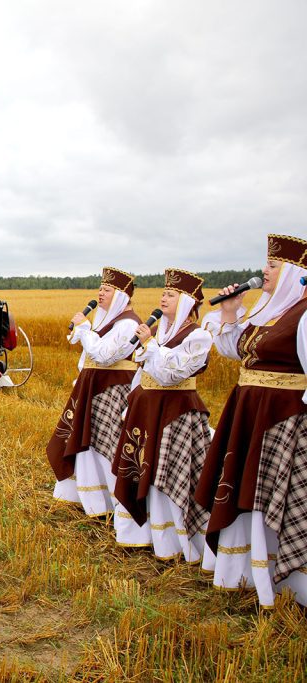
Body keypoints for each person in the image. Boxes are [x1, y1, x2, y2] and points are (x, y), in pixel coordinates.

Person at [194, 234, 307, 607]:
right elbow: (236, 351)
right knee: (243, 489)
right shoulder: (269, 311)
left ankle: (280, 583)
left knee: (270, 496)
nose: (264, 271)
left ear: (294, 272)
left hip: (281, 420)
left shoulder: (303, 313)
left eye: (273, 265)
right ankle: (241, 572)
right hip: (247, 413)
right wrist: (231, 311)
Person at [111, 269, 212, 562]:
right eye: (163, 293)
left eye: (170, 294)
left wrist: (150, 345)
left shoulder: (199, 336)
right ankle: (141, 534)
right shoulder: (160, 333)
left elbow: (171, 374)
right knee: (142, 469)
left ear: (186, 302)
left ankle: (172, 542)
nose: (163, 298)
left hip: (175, 412)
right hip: (146, 410)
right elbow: (145, 373)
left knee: (167, 472)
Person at [47, 267, 141, 517]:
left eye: (107, 290)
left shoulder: (129, 324)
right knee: (84, 440)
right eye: (100, 288)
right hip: (92, 388)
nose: (101, 293)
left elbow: (104, 354)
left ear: (121, 295)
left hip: (112, 390)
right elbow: (87, 355)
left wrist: (86, 330)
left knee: (103, 443)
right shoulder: (107, 320)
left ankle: (109, 504)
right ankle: (87, 498)